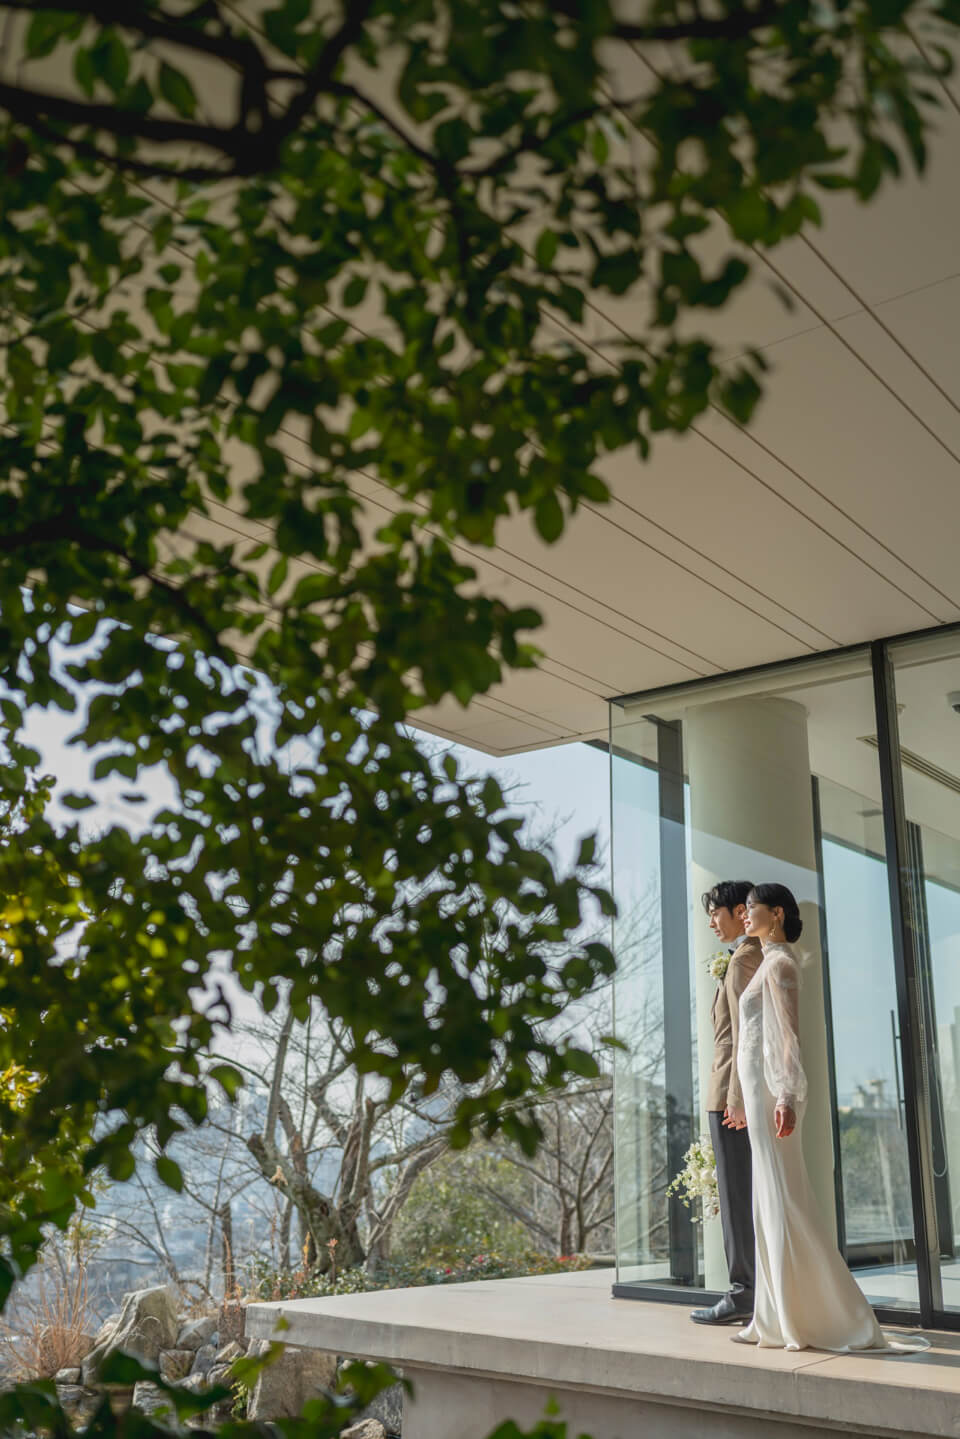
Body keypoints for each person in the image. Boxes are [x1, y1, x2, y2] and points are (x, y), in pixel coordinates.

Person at [734, 882, 926, 1353]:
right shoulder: (766, 962)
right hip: (758, 1090)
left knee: (784, 1197)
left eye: (753, 908)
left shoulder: (781, 963)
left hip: (773, 1092)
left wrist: (785, 1095)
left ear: (777, 914)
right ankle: (773, 1316)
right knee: (768, 1199)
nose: (744, 915)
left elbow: (789, 1037)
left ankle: (818, 1317)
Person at [690, 881, 763, 1326]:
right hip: (733, 1093)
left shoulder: (745, 958)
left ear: (739, 911)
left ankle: (743, 1294)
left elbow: (744, 1036)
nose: (711, 923)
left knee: (737, 1198)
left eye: (715, 913)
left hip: (731, 1097)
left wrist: (734, 1098)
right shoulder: (747, 955)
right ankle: (753, 1291)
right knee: (743, 1195)